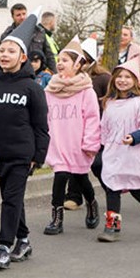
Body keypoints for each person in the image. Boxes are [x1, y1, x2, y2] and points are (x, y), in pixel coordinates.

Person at [0, 12, 50, 269]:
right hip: (0, 153)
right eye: (1, 50)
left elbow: (41, 126)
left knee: (11, 198)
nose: (4, 54)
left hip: (23, 153)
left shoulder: (32, 88)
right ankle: (23, 240)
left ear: (23, 58)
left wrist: (38, 156)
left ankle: (3, 246)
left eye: (11, 50)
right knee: (13, 198)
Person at [42, 38, 102, 235]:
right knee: (60, 178)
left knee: (81, 177)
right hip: (58, 142)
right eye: (59, 60)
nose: (60, 63)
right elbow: (43, 116)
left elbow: (93, 119)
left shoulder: (87, 91)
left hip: (78, 143)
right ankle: (56, 219)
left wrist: (90, 143)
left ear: (78, 65)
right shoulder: (50, 90)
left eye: (65, 60)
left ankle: (91, 203)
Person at [96, 61, 140, 242]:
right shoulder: (109, 103)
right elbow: (105, 128)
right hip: (113, 153)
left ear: (135, 80)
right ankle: (112, 227)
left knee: (136, 188)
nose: (123, 81)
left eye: (127, 77)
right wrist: (101, 146)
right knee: (111, 186)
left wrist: (134, 137)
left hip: (134, 153)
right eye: (120, 77)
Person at [0, 3, 55, 73]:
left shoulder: (39, 32)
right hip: (17, 73)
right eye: (18, 15)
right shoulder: (7, 35)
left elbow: (49, 55)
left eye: (24, 14)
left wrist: (54, 73)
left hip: (37, 74)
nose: (22, 17)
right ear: (13, 17)